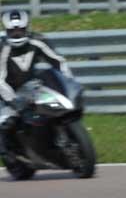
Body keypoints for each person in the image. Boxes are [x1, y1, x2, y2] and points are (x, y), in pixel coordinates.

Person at [0, 9, 72, 156]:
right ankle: (7, 150)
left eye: (20, 30)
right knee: (6, 121)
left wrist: (67, 80)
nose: (17, 34)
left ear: (27, 28)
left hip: (31, 88)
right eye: (13, 31)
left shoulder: (37, 41)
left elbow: (58, 61)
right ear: (6, 31)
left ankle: (49, 141)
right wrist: (13, 100)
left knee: (53, 107)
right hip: (6, 94)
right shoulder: (2, 49)